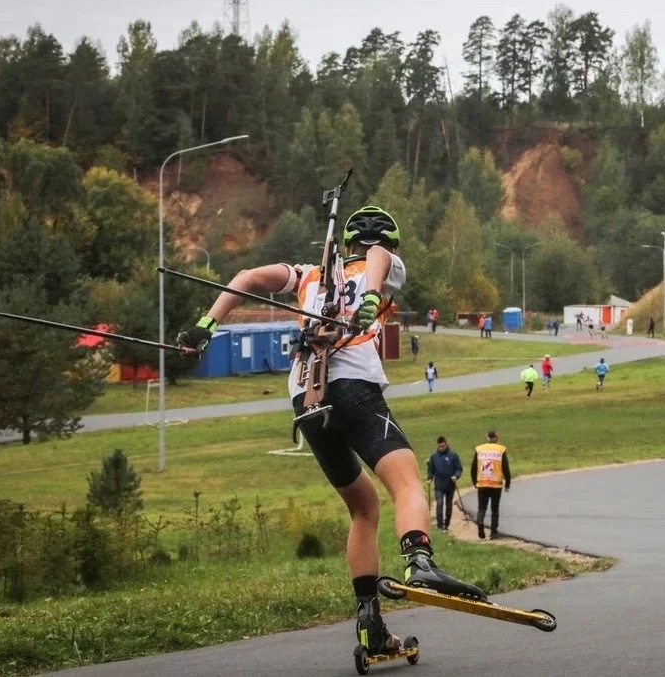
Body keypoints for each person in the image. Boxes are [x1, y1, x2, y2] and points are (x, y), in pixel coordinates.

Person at [175, 204, 485, 660]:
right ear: (389, 242)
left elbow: (243, 278)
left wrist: (207, 325)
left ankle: (369, 621)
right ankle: (419, 561)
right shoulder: (380, 261)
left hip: (307, 401)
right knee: (405, 484)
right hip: (354, 388)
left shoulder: (307, 275)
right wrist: (372, 298)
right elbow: (378, 259)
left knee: (363, 509)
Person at [470, 430, 511, 539]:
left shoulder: (479, 449)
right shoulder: (501, 450)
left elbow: (473, 466)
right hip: (496, 484)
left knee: (482, 508)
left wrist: (474, 481)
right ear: (497, 437)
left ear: (487, 437)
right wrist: (508, 483)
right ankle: (493, 533)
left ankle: (480, 523)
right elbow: (505, 467)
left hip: (482, 483)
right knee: (494, 509)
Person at [426, 436, 462, 531]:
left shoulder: (453, 455)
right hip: (439, 485)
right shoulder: (434, 456)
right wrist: (429, 478)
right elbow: (431, 470)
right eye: (439, 447)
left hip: (450, 484)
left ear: (446, 444)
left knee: (448, 505)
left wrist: (456, 476)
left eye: (442, 446)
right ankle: (439, 525)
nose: (441, 448)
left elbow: (459, 468)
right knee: (439, 503)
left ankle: (447, 524)